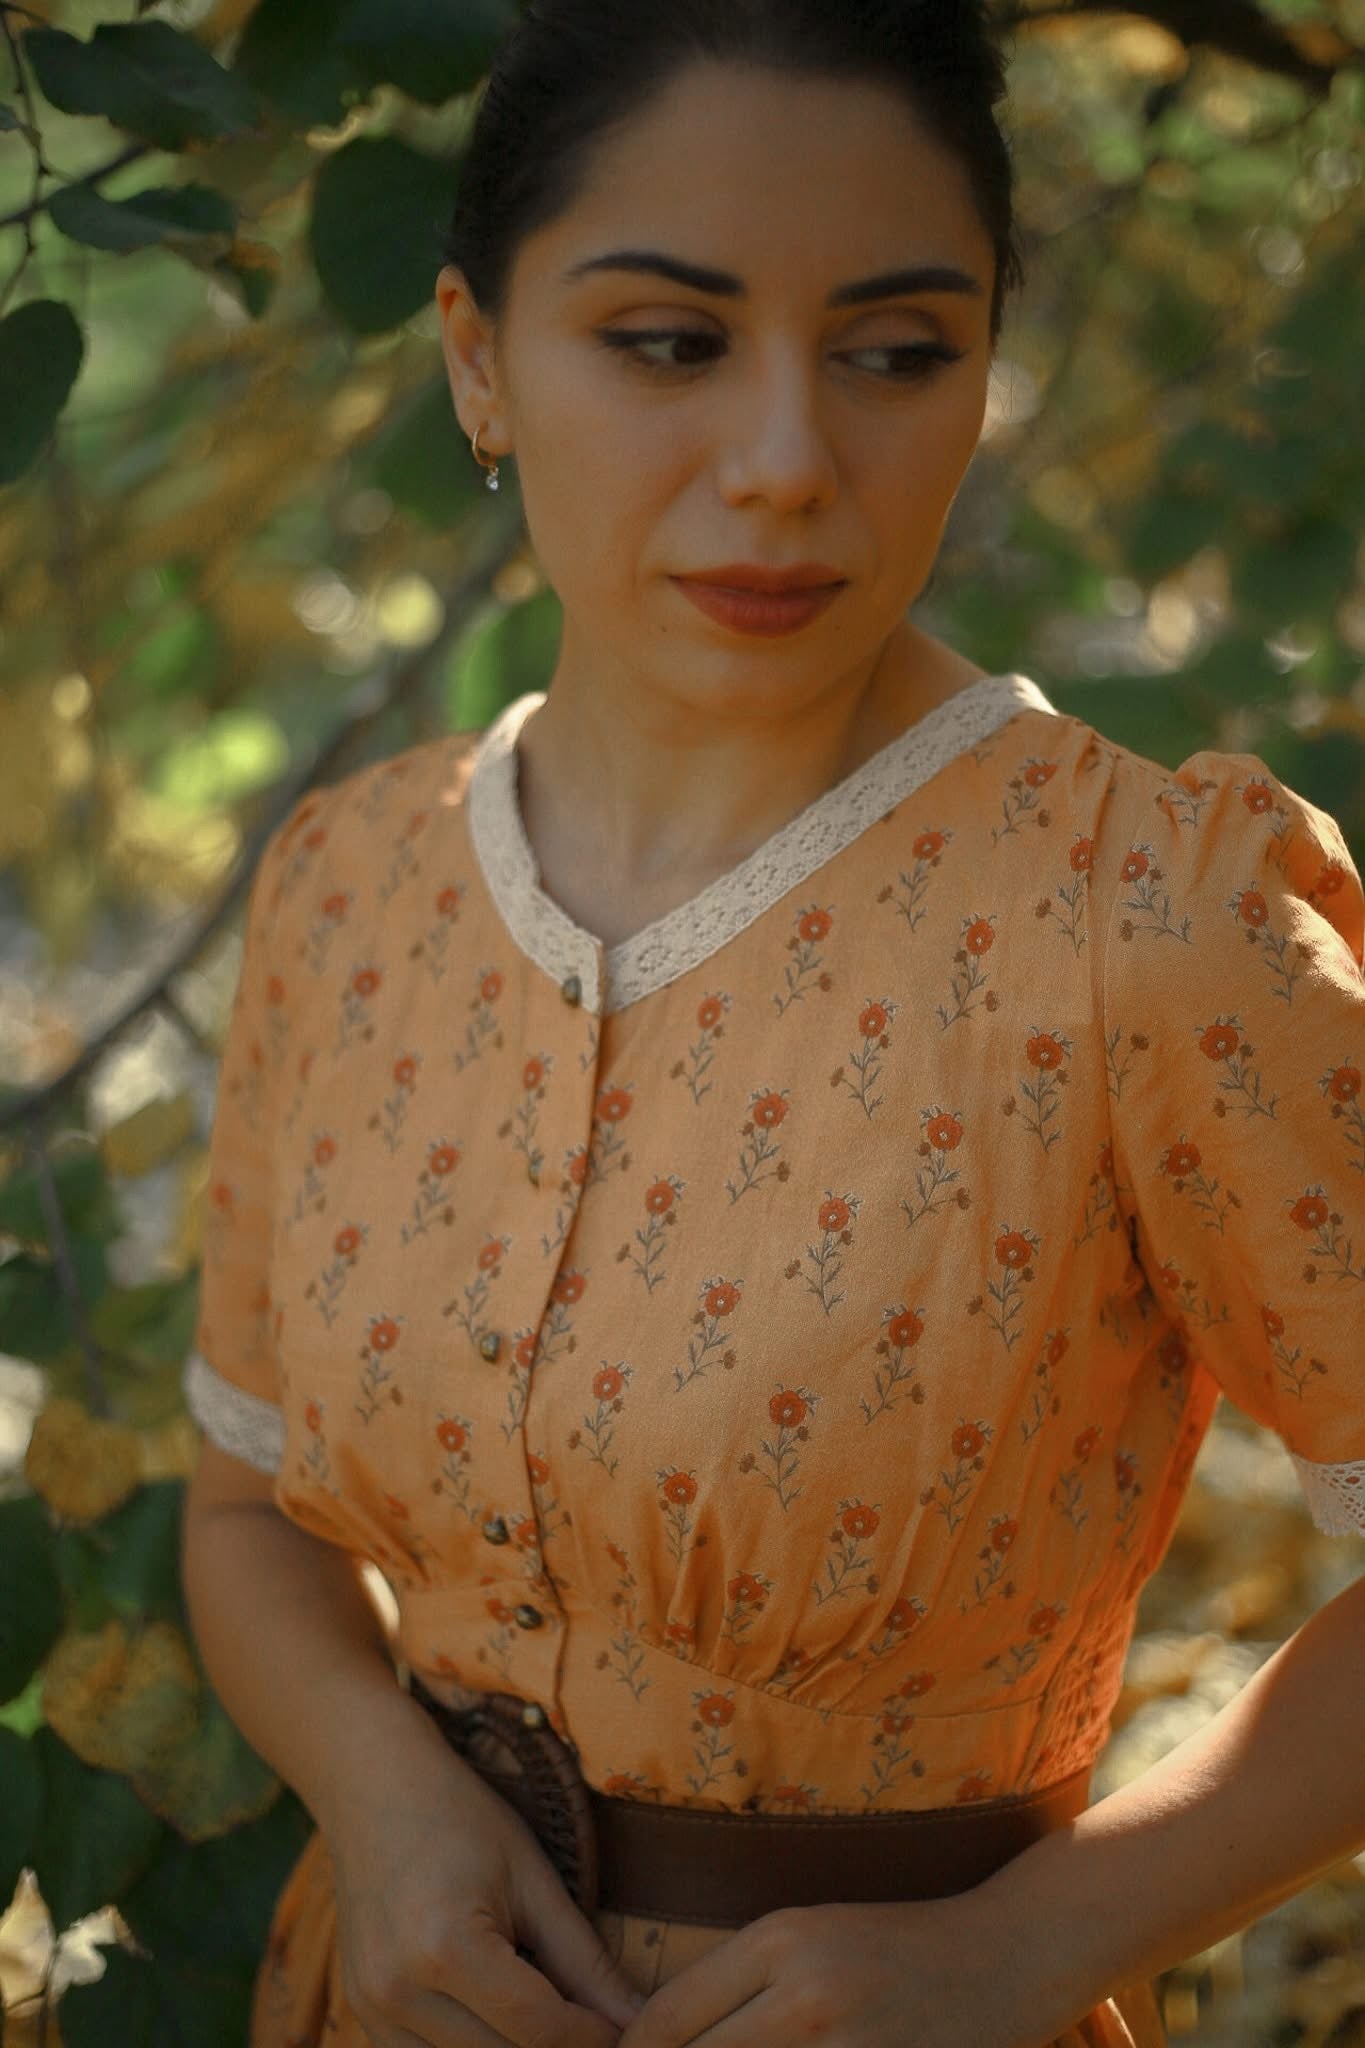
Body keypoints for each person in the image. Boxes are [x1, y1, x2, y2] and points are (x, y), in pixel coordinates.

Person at [179, 3, 1365, 2045]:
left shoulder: (1145, 920)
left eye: (896, 354)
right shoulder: (348, 889)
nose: (787, 463)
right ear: (477, 357)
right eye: (666, 342)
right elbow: (238, 1507)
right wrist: (381, 1804)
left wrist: (1030, 1939)